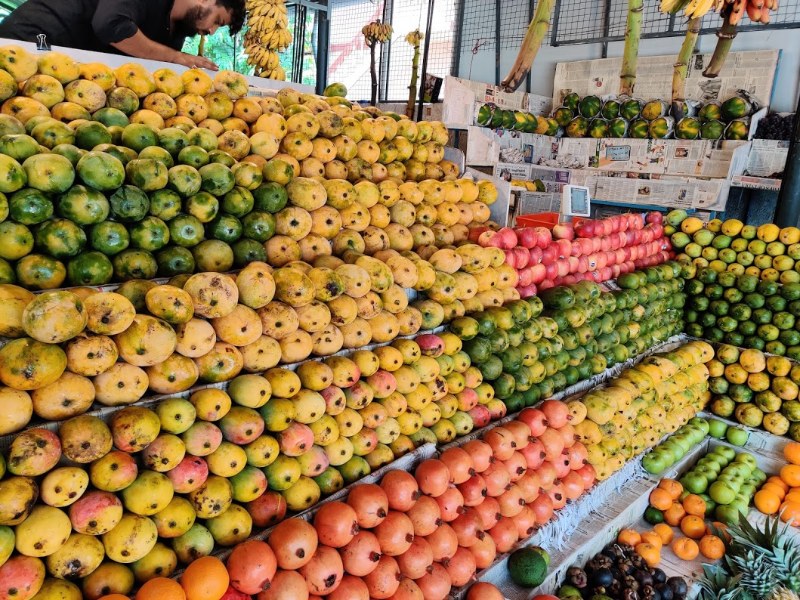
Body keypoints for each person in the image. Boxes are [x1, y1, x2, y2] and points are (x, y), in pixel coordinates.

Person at [0, 0, 246, 70]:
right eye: (218, 21)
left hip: (71, 68)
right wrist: (173, 57)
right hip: (39, 38)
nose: (211, 32)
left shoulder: (175, 35)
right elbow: (111, 25)